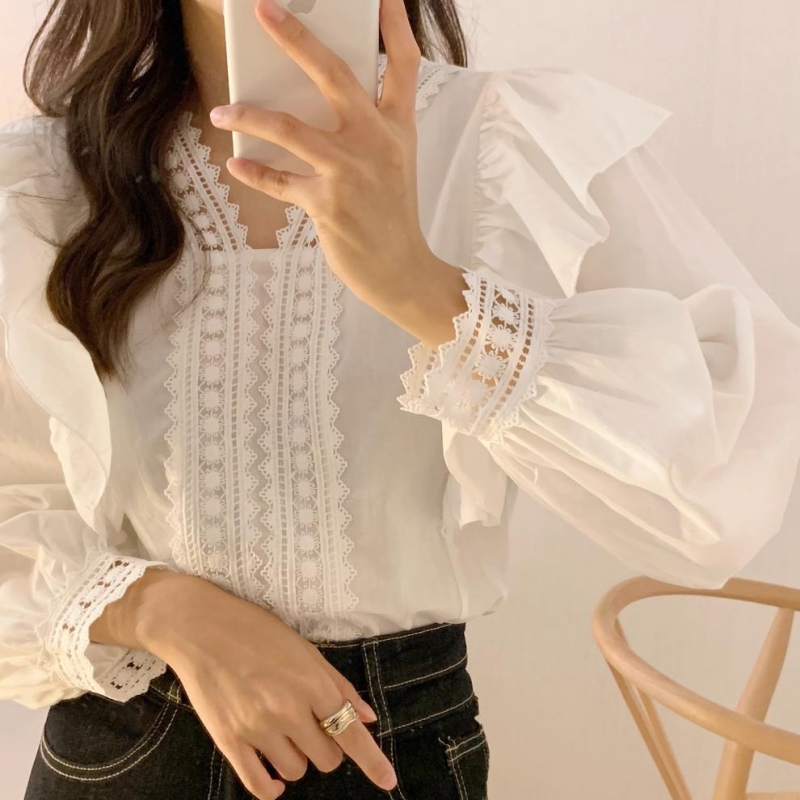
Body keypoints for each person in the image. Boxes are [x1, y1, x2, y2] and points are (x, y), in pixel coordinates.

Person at [2, 0, 799, 798]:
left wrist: (423, 285)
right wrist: (159, 610)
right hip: (124, 747)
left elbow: (727, 474)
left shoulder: (515, 146)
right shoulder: (40, 185)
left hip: (395, 751)